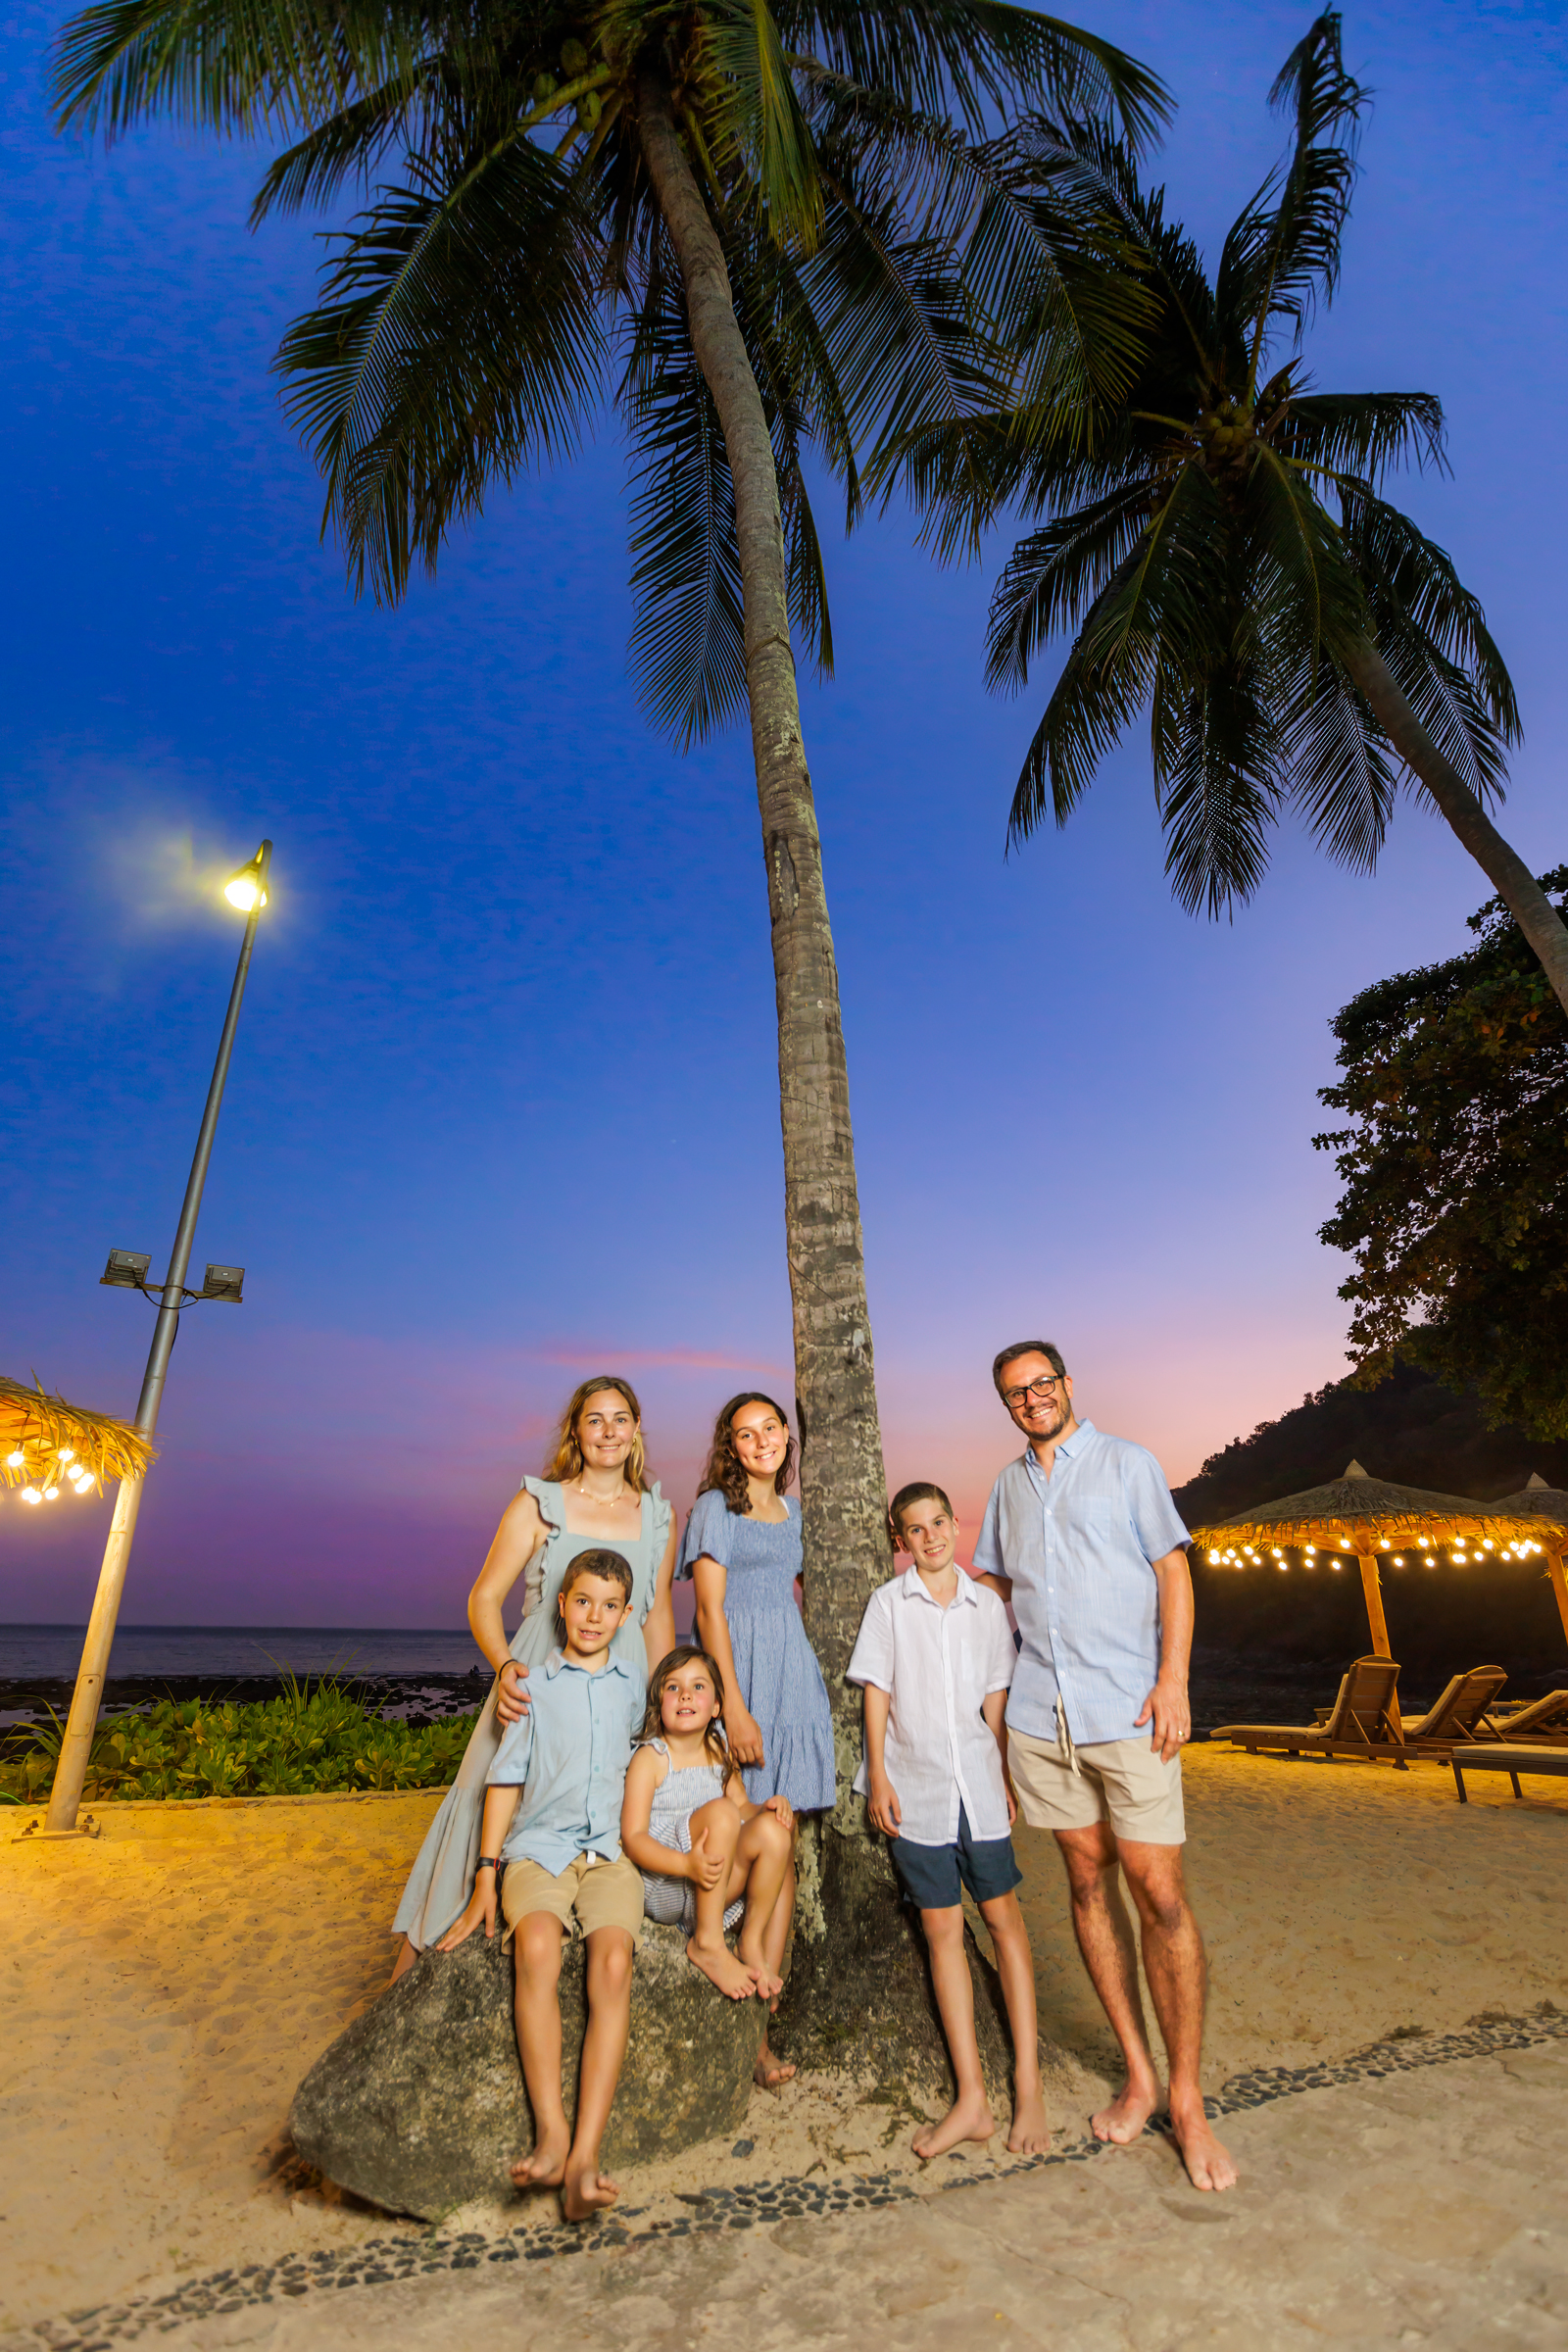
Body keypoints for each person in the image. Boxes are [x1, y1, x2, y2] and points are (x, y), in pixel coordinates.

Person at [972, 1341, 1237, 2193]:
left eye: (1043, 1384)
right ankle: (1140, 2074)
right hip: (1042, 1721)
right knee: (1087, 1886)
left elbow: (1174, 1572)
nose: (1032, 1399)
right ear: (1006, 1404)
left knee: (1159, 1894)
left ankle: (1189, 2104)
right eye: (1017, 1393)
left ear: (1067, 1386)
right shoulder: (1008, 1488)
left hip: (1129, 1710)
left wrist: (1174, 1682)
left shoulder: (1128, 1464)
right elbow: (993, 1592)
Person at [390, 1376, 676, 1975]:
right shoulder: (537, 1502)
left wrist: (663, 1696)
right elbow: (484, 1598)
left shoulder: (656, 1515)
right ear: (576, 1428)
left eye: (620, 1419)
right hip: (535, 1681)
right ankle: (414, 1967)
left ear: (635, 1430)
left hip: (621, 1686)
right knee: (488, 1795)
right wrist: (506, 1669)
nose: (608, 1431)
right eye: (594, 1419)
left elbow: (655, 1615)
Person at [437, 1548, 646, 2222]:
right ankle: (551, 2134)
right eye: (582, 1600)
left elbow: (656, 1758)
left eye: (609, 1605)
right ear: (562, 1603)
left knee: (612, 1963)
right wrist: (485, 1876)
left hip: (610, 1853)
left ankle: (585, 2155)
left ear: (626, 1614)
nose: (594, 1615)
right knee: (536, 1950)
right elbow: (503, 1782)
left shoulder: (632, 1685)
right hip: (540, 1848)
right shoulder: (532, 1684)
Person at [849, 1482, 1051, 2162]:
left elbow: (996, 1697)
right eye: (915, 1528)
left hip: (979, 1788)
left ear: (953, 1525)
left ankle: (1028, 2085)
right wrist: (877, 1772)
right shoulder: (888, 1604)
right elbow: (876, 1693)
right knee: (942, 1933)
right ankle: (973, 2100)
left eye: (939, 1522)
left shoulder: (986, 1606)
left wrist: (1000, 1769)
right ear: (899, 1539)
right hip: (916, 1788)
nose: (930, 1536)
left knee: (1004, 1924)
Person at [681, 1391, 835, 2085]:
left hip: (793, 1680)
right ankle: (728, 1985)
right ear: (731, 1447)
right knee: (749, 1837)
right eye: (745, 1434)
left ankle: (761, 2030)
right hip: (739, 1685)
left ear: (785, 1438)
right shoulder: (715, 1509)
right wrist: (732, 1710)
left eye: (770, 1428)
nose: (761, 1440)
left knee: (789, 1854)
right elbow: (709, 1612)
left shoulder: (797, 1515)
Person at [620, 1644, 796, 2004]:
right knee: (722, 1812)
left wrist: (767, 1806)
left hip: (713, 1883)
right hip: (670, 1881)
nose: (685, 1694)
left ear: (716, 1707)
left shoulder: (718, 1751)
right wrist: (686, 1864)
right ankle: (708, 1943)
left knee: (774, 1830)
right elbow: (633, 1838)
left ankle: (751, 1938)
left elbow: (743, 1808)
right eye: (673, 1687)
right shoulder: (651, 1759)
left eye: (698, 1686)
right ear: (660, 1704)